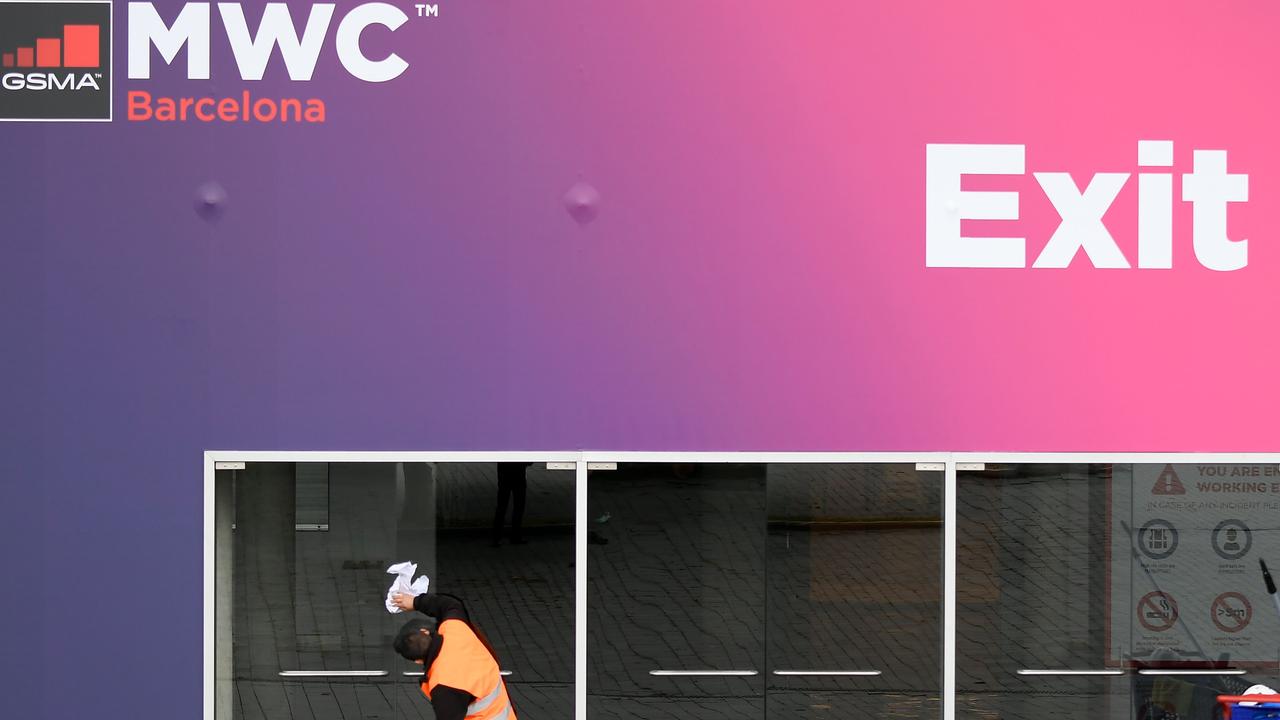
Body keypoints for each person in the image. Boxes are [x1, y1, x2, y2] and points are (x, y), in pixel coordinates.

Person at [392, 591, 518, 720]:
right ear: (425, 632)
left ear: (418, 661)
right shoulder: (455, 628)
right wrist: (415, 602)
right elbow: (450, 604)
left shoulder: (444, 686)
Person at [491, 462, 530, 546]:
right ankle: (515, 536)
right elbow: (529, 461)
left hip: (504, 477)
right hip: (519, 477)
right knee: (518, 508)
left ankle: (496, 538)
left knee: (501, 507)